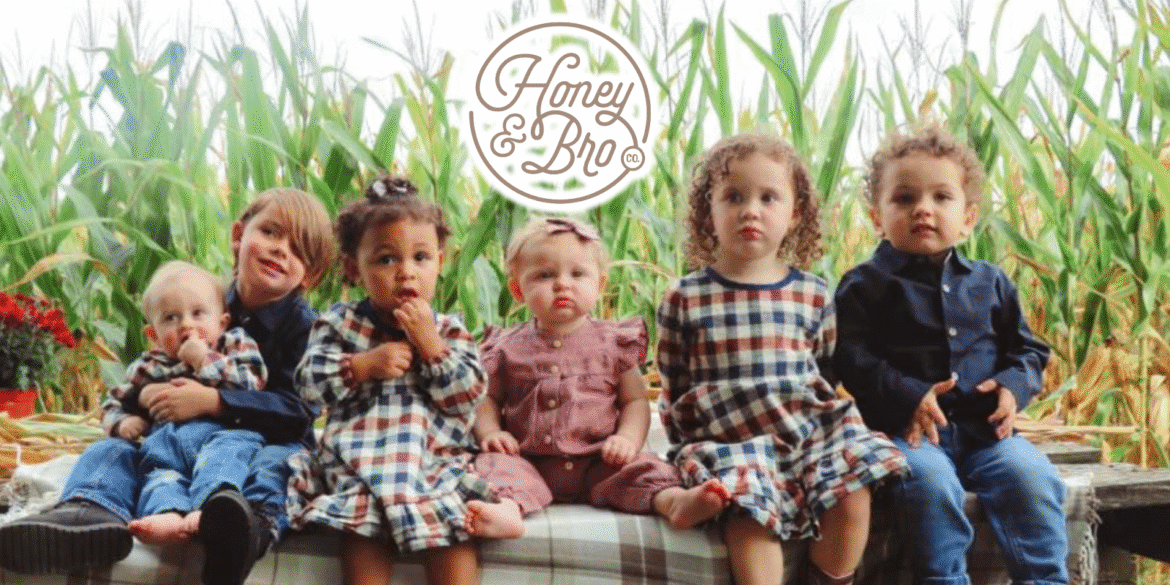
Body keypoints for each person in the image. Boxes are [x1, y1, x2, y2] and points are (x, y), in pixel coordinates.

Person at [0, 187, 335, 585]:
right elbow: (147, 370)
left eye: (299, 250)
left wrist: (214, 401)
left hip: (261, 439)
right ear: (237, 236)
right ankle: (89, 512)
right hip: (175, 436)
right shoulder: (198, 299)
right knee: (113, 451)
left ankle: (241, 527)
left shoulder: (306, 329)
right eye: (272, 232)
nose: (282, 250)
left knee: (276, 465)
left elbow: (299, 410)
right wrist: (138, 402)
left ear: (310, 275)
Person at [656, 133, 908, 585]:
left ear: (794, 215)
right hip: (731, 440)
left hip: (805, 432)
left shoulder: (811, 293)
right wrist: (684, 444)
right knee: (748, 510)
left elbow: (823, 369)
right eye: (733, 197)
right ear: (708, 215)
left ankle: (830, 576)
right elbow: (673, 379)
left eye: (768, 197)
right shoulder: (686, 296)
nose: (750, 210)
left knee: (854, 486)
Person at [833, 124, 1067, 585]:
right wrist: (910, 394)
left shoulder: (990, 282)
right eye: (904, 199)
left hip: (987, 435)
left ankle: (1046, 579)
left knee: (1032, 477)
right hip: (908, 436)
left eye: (941, 197)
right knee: (930, 487)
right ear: (876, 216)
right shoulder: (864, 286)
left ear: (968, 217)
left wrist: (1012, 387)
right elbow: (852, 358)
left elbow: (1027, 349)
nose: (923, 208)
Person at [464, 217, 730, 539]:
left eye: (577, 274)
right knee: (496, 466)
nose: (563, 284)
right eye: (545, 275)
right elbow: (489, 398)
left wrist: (628, 439)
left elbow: (634, 400)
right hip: (528, 459)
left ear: (600, 285)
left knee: (640, 469)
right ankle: (507, 510)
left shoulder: (614, 343)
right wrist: (491, 432)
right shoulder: (506, 347)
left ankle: (673, 502)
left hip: (599, 459)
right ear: (517, 289)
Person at [286, 176, 490, 585]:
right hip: (359, 463)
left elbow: (468, 397)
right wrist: (360, 366)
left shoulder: (448, 331)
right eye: (386, 260)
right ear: (352, 269)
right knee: (363, 534)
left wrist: (431, 348)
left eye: (420, 257)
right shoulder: (340, 324)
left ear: (441, 261)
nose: (406, 273)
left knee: (454, 534)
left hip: (430, 463)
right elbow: (308, 384)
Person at [100, 260, 267, 546]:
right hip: (167, 447)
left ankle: (211, 507)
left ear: (222, 321)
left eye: (198, 313)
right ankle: (168, 514)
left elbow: (252, 384)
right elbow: (112, 403)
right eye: (171, 318)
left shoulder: (233, 344)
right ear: (152, 334)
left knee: (224, 462)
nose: (186, 324)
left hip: (222, 436)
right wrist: (123, 421)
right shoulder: (149, 367)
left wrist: (203, 359)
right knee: (158, 475)